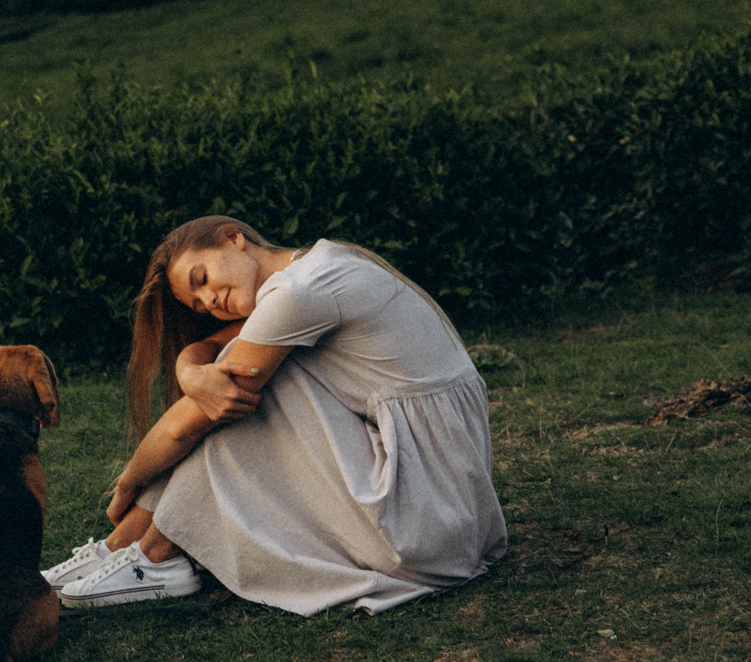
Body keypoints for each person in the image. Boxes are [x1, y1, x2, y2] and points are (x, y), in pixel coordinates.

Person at [44, 216, 507, 615]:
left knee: (241, 393)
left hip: (426, 520)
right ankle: (121, 548)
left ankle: (157, 554)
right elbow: (211, 349)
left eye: (202, 279)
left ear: (233, 238)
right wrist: (188, 367)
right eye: (198, 304)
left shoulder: (300, 292)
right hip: (444, 501)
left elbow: (187, 423)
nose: (209, 302)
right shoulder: (315, 268)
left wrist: (129, 481)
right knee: (236, 378)